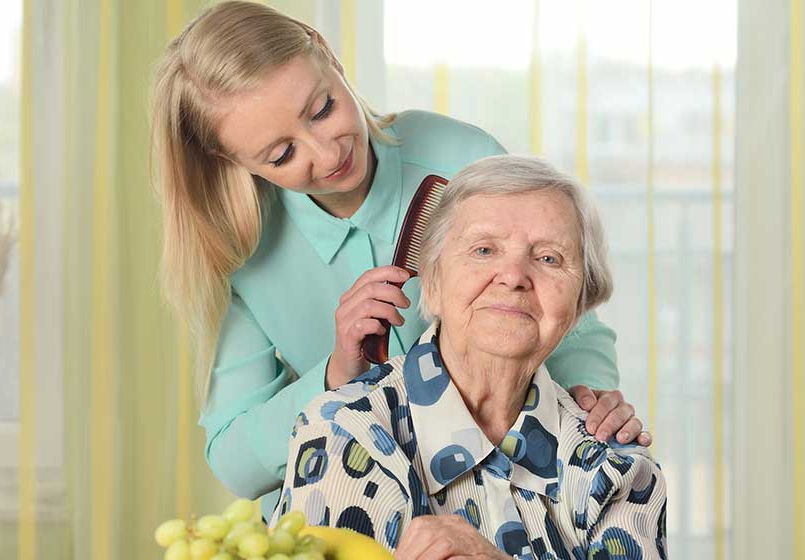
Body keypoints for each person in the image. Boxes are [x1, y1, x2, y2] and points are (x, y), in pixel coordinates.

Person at [150, 1, 649, 512]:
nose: (327, 155)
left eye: (322, 110)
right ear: (231, 160)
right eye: (281, 155)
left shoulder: (460, 159)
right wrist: (335, 376)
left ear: (327, 54)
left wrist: (591, 403)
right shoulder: (244, 254)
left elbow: (566, 313)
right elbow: (236, 459)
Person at [272, 155, 667, 559]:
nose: (513, 276)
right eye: (483, 249)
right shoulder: (342, 433)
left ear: (582, 302)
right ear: (433, 281)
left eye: (549, 258)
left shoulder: (617, 466)